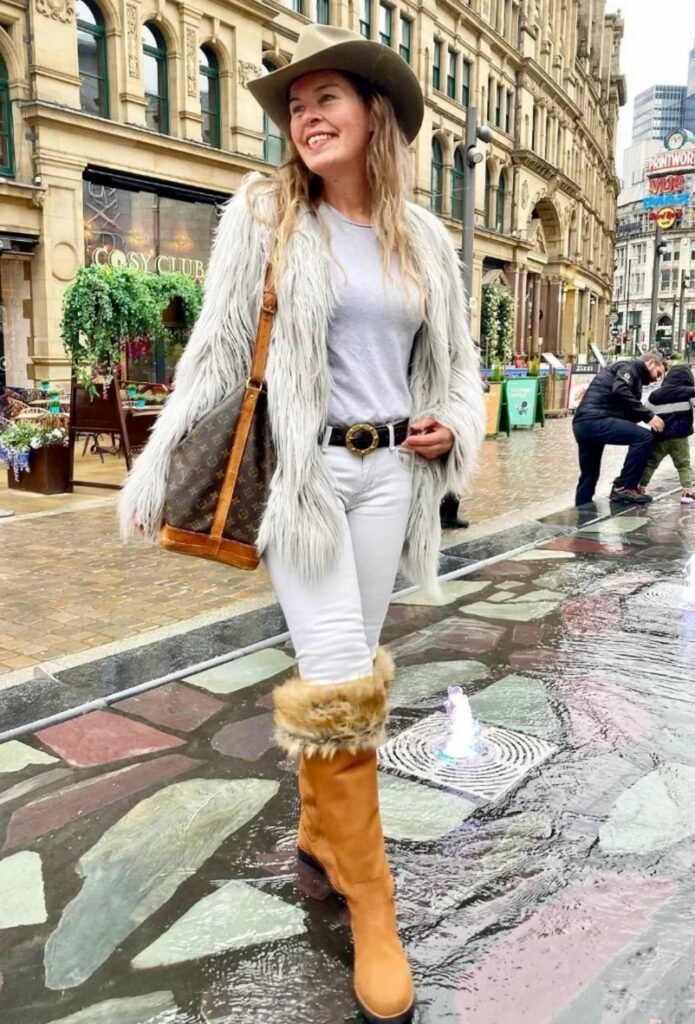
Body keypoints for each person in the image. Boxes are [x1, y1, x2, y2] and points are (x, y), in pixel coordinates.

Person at [118, 24, 485, 1024]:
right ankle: (373, 904)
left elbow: (457, 369)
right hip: (305, 478)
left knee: (351, 671)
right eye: (294, 104)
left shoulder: (428, 243)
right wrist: (160, 467)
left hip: (389, 479)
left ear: (376, 116)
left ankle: (323, 842)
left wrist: (449, 423)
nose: (306, 115)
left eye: (327, 96)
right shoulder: (268, 210)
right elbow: (220, 344)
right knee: (333, 669)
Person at [572, 351, 665, 506]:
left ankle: (582, 508)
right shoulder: (628, 367)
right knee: (644, 438)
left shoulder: (632, 375)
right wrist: (649, 416)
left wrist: (650, 414)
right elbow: (620, 390)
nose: (657, 378)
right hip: (597, 420)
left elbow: (626, 412)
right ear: (650, 363)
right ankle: (624, 487)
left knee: (590, 474)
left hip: (582, 424)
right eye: (658, 373)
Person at [639, 363, 695, 504]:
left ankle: (641, 487)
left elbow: (645, 410)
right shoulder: (690, 392)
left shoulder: (655, 395)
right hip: (680, 438)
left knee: (651, 463)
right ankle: (687, 491)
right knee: (683, 465)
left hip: (660, 437)